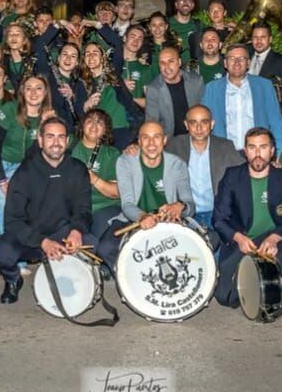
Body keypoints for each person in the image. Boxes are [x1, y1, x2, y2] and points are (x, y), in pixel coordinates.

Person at [0, 118, 94, 303]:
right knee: (2, 253)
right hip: (32, 237)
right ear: (40, 141)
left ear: (67, 140)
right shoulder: (25, 173)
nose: (56, 143)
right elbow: (12, 220)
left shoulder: (78, 169)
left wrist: (76, 231)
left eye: (60, 137)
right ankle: (13, 280)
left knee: (96, 245)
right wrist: (42, 242)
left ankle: (75, 278)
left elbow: (84, 208)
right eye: (50, 137)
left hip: (63, 233)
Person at [212, 127, 282, 308]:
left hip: (272, 238)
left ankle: (270, 285)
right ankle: (265, 283)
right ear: (245, 151)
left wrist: (275, 238)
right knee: (224, 298)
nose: (258, 153)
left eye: (263, 147)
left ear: (272, 151)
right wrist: (238, 237)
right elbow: (219, 219)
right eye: (252, 147)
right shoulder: (232, 176)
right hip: (244, 239)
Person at [100, 121, 196, 271]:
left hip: (168, 221)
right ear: (139, 141)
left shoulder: (177, 164)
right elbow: (127, 204)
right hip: (135, 219)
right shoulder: (125, 162)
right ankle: (135, 277)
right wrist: (142, 216)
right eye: (145, 137)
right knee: (106, 247)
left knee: (206, 242)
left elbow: (190, 204)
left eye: (156, 137)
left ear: (164, 140)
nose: (151, 143)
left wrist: (180, 206)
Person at [0, 74, 53, 230]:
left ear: (46, 92)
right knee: (2, 202)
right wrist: (2, 180)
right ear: (22, 92)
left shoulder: (47, 117)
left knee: (21, 203)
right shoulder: (10, 109)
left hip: (15, 165)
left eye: (38, 88)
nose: (33, 93)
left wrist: (43, 126)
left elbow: (32, 155)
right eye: (29, 88)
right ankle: (6, 247)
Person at [167, 105, 244, 229]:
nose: (199, 128)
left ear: (212, 124)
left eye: (204, 122)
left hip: (217, 214)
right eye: (193, 123)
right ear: (186, 125)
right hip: (185, 215)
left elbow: (246, 173)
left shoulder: (225, 147)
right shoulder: (174, 146)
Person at [202, 44, 282, 152]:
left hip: (257, 152)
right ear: (225, 63)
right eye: (232, 58)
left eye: (241, 58)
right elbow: (203, 124)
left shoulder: (264, 86)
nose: (237, 62)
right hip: (223, 153)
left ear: (248, 63)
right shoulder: (212, 89)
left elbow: (276, 122)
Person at [70, 109, 122, 240]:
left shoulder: (112, 154)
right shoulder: (69, 144)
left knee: (101, 238)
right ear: (82, 125)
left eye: (99, 122)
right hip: (74, 209)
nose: (94, 125)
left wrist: (93, 178)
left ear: (106, 130)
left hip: (104, 207)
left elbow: (116, 192)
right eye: (89, 121)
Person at [144, 46, 204, 137]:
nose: (166, 67)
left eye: (171, 61)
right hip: (169, 141)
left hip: (197, 136)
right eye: (162, 63)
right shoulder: (153, 90)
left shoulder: (196, 82)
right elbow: (152, 124)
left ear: (179, 62)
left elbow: (205, 114)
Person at [81, 42, 132, 148]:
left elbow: (117, 43)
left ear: (103, 57)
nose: (91, 56)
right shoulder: (81, 83)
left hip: (121, 129)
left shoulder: (114, 74)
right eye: (87, 53)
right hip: (99, 133)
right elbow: (78, 115)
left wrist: (98, 25)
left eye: (95, 53)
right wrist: (86, 107)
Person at [248, 22, 282, 110]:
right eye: (255, 37)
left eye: (263, 37)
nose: (259, 41)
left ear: (270, 39)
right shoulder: (244, 58)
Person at [168, 0, 200, 64]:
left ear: (192, 5)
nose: (186, 2)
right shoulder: (167, 25)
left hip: (194, 70)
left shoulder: (199, 24)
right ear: (176, 5)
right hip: (174, 70)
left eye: (189, 0)